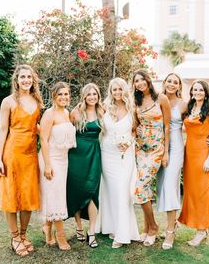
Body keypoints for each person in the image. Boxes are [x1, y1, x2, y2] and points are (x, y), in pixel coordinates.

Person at [0, 64, 43, 257]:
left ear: (33, 80)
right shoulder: (8, 102)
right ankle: (14, 237)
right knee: (11, 196)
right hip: (12, 153)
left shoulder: (37, 101)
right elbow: (2, 130)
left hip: (30, 155)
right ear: (17, 79)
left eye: (29, 77)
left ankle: (23, 235)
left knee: (28, 196)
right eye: (22, 77)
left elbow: (38, 128)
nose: (26, 80)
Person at [96, 78, 140, 248]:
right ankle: (112, 226)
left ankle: (122, 234)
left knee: (122, 190)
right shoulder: (105, 107)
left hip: (125, 154)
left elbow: (135, 131)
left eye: (120, 89)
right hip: (107, 154)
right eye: (114, 90)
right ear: (110, 91)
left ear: (125, 90)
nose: (117, 93)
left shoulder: (132, 108)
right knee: (110, 191)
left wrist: (129, 142)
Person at [178, 80, 209, 246]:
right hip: (190, 153)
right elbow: (185, 127)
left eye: (201, 90)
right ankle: (204, 226)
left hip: (203, 154)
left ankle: (202, 230)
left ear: (206, 92)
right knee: (191, 192)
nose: (197, 92)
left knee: (202, 193)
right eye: (195, 89)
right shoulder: (190, 108)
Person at [132, 69, 170, 246]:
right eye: (136, 81)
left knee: (140, 188)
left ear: (148, 80)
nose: (139, 83)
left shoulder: (161, 99)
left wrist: (166, 152)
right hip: (141, 150)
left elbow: (167, 127)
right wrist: (135, 130)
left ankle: (153, 227)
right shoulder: (136, 101)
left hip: (156, 150)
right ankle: (146, 229)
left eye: (142, 79)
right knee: (144, 189)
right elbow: (135, 125)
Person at [39, 82, 76, 250]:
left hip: (64, 160)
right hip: (51, 159)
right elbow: (43, 140)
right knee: (56, 196)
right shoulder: (49, 113)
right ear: (54, 96)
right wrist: (47, 165)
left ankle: (47, 228)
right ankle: (60, 236)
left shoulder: (67, 113)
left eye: (66, 94)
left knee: (54, 194)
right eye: (60, 94)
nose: (63, 97)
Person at [66, 83, 104, 248]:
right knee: (76, 190)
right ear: (84, 96)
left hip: (94, 154)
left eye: (94, 94)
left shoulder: (102, 112)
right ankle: (79, 227)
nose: (92, 97)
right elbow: (66, 132)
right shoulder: (75, 113)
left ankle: (92, 231)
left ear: (98, 96)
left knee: (92, 191)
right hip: (76, 156)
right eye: (88, 94)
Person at [156, 73, 187, 249]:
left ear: (179, 85)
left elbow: (197, 120)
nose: (172, 84)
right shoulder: (157, 100)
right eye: (169, 81)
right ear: (164, 83)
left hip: (175, 148)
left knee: (169, 185)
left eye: (176, 82)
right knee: (161, 186)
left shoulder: (183, 104)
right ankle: (172, 223)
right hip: (160, 146)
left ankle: (170, 232)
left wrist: (208, 137)